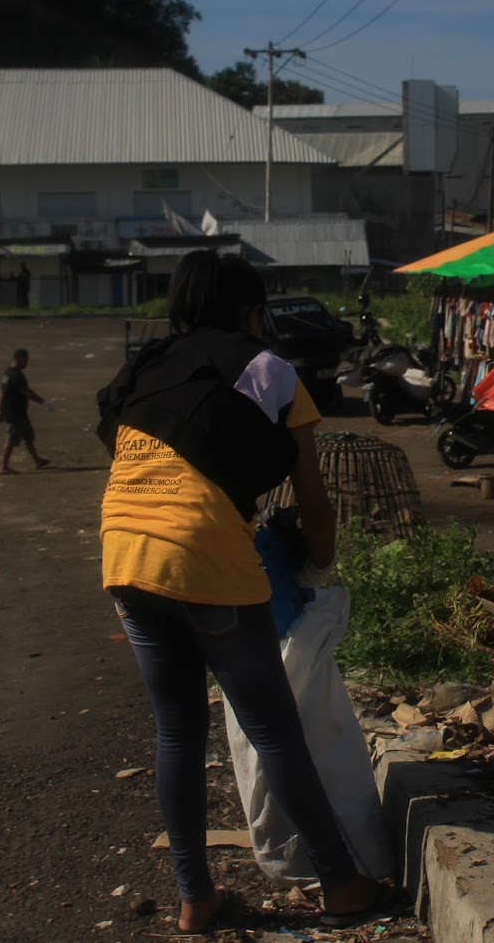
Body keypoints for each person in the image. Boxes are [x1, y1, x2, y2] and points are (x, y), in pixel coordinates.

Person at [95, 250, 386, 934]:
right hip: (203, 558)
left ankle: (196, 899)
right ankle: (343, 886)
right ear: (253, 311)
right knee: (275, 731)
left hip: (123, 553)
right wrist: (318, 561)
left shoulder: (144, 367)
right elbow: (313, 497)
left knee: (177, 731)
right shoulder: (271, 370)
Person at [0, 348, 50, 475]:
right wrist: (43, 402)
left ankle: (37, 460)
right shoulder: (17, 376)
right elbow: (27, 392)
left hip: (16, 412)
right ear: (20, 359)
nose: (26, 364)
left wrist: (1, 410)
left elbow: (3, 393)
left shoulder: (7, 373)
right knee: (12, 439)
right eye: (26, 360)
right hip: (16, 413)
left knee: (28, 436)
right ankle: (3, 467)